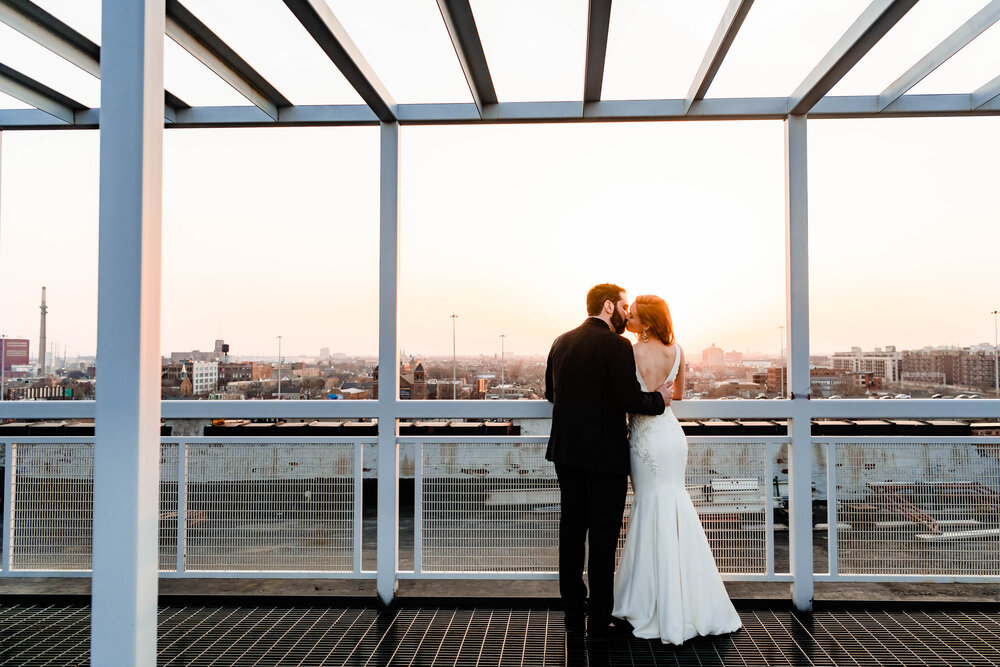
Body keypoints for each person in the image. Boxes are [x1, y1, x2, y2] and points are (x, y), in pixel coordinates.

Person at [545, 283, 673, 637]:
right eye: (623, 305)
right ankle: (599, 619)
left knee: (571, 535)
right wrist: (660, 400)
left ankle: (572, 613)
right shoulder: (617, 346)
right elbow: (631, 399)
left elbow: (550, 393)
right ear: (607, 307)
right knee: (602, 541)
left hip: (567, 454)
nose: (626, 312)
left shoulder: (560, 342)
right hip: (606, 457)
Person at [613, 294, 742, 644]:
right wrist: (661, 390)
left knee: (648, 506)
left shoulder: (631, 352)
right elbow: (678, 395)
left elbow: (625, 396)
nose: (630, 320)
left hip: (644, 435)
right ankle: (691, 600)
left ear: (648, 322)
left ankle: (647, 599)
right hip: (671, 435)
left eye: (635, 316)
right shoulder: (679, 351)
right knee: (675, 504)